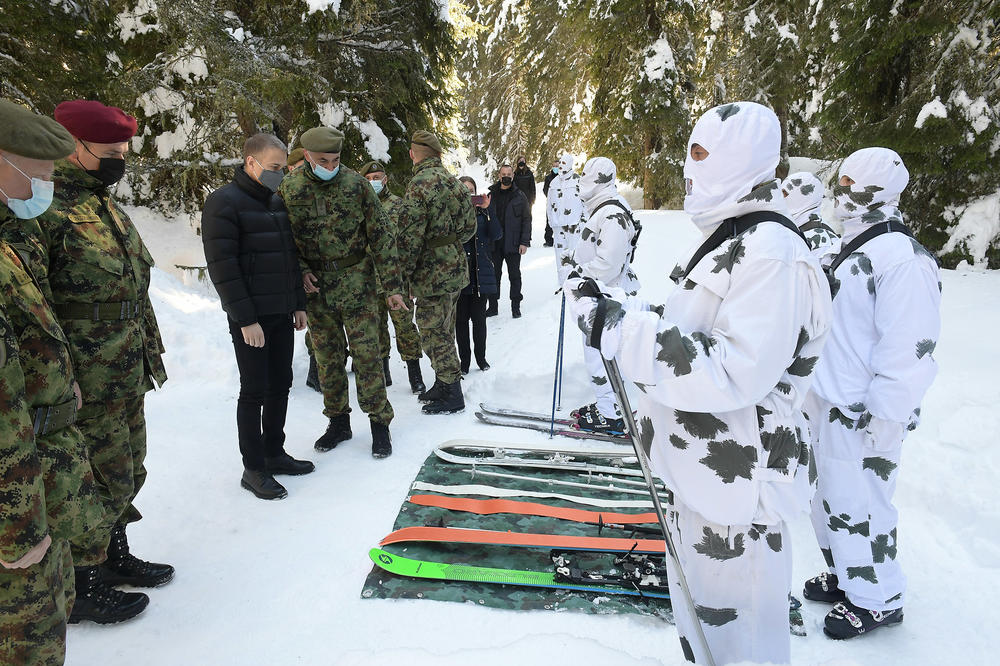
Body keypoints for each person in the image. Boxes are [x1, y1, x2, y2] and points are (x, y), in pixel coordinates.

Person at [566, 101, 832, 665]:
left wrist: (620, 330)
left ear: (740, 161)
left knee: (741, 644)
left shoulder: (771, 253)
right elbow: (696, 327)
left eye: (702, 155)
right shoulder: (738, 238)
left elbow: (735, 368)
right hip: (708, 481)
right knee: (706, 633)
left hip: (741, 495)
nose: (689, 170)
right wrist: (623, 311)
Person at [31, 99, 174, 622]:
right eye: (109, 152)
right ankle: (82, 583)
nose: (118, 160)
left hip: (122, 367)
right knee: (86, 478)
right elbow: (38, 306)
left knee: (127, 466)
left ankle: (113, 557)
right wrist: (59, 378)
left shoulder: (102, 202)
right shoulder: (44, 210)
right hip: (83, 377)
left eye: (124, 151)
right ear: (71, 147)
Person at [804, 147, 940, 640]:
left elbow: (910, 347)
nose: (842, 197)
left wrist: (887, 416)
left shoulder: (903, 259)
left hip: (865, 414)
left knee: (864, 502)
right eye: (841, 185)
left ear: (879, 192)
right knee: (830, 501)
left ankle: (880, 597)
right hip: (829, 403)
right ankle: (847, 575)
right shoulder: (856, 246)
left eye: (852, 188)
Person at [0, 98, 108, 662]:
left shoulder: (6, 242)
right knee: (29, 645)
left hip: (41, 476)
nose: (44, 187)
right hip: (15, 511)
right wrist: (17, 527)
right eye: (37, 174)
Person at [279, 127, 406, 459]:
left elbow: (381, 235)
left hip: (358, 286)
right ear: (306, 156)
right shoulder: (290, 190)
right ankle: (338, 422)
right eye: (323, 160)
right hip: (318, 291)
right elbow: (284, 243)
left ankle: (380, 424)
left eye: (336, 159)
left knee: (368, 357)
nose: (330, 165)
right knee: (327, 360)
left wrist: (392, 286)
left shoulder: (356, 185)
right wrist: (301, 272)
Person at [201, 133, 314, 501]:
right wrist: (245, 319)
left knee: (281, 384)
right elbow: (223, 267)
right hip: (251, 318)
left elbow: (288, 259)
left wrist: (298, 303)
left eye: (283, 169)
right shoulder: (223, 203)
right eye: (275, 168)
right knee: (254, 391)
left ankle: (274, 452)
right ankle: (253, 467)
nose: (280, 175)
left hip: (281, 312)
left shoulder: (275, 202)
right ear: (251, 163)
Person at [397, 130, 477, 414]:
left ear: (413, 153)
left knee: (433, 331)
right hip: (454, 267)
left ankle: (452, 392)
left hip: (432, 274)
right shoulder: (454, 183)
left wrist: (402, 275)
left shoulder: (419, 184)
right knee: (444, 327)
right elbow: (470, 228)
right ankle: (444, 383)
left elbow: (409, 238)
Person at [562, 156, 640, 434]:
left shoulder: (612, 213)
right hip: (597, 295)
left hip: (605, 298)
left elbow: (609, 264)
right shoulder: (603, 209)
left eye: (588, 174)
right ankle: (610, 405)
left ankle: (611, 414)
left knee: (601, 356)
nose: (583, 179)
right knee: (600, 354)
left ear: (600, 179)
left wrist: (580, 278)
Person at [359, 160, 426, 394]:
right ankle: (384, 373)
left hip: (396, 280)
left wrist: (410, 279)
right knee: (376, 330)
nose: (374, 182)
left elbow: (410, 244)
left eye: (377, 177)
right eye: (369, 179)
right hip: (369, 280)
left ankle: (414, 374)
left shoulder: (399, 205)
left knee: (405, 328)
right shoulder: (360, 206)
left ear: (385, 179)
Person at [456, 176, 502, 373]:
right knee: (460, 323)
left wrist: (487, 208)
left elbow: (497, 234)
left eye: (471, 190)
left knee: (479, 321)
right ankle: (464, 362)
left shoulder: (484, 214)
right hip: (459, 276)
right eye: (463, 190)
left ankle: (481, 359)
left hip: (480, 274)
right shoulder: (452, 214)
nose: (468, 193)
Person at [486, 164, 531, 318]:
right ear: (499, 176)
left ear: (513, 176)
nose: (506, 176)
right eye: (503, 174)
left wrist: (524, 242)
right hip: (495, 244)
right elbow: (485, 218)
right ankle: (492, 306)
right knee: (494, 275)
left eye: (509, 174)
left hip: (513, 243)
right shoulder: (491, 194)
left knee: (514, 276)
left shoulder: (520, 195)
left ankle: (515, 306)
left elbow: (526, 220)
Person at [546, 151, 584, 283]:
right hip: (558, 226)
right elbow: (549, 204)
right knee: (560, 255)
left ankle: (576, 283)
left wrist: (583, 222)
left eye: (564, 163)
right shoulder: (554, 183)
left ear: (569, 164)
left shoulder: (578, 180)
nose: (561, 165)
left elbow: (585, 202)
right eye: (560, 162)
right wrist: (551, 221)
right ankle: (563, 283)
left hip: (574, 225)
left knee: (575, 255)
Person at [782, 171, 839, 251]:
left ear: (802, 198)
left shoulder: (822, 243)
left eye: (785, 193)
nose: (780, 197)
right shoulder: (786, 224)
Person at [541, 157, 559, 247]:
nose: (555, 167)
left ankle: (559, 239)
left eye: (557, 166)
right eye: (554, 166)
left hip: (561, 203)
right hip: (551, 202)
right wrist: (550, 196)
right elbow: (545, 189)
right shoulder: (548, 177)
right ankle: (548, 240)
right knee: (549, 221)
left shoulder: (562, 177)